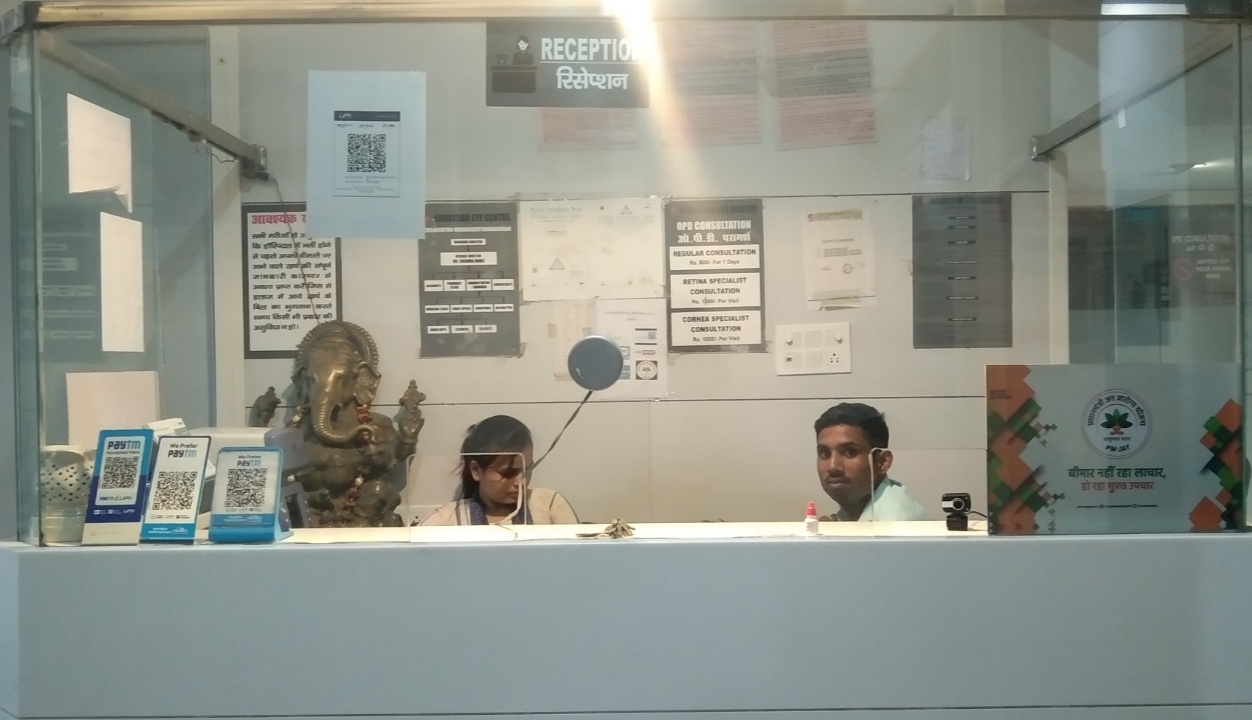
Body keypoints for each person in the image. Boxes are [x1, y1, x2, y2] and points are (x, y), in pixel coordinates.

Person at [421, 415, 579, 526]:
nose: (521, 482)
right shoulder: (446, 520)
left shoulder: (549, 504)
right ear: (476, 470)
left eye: (528, 470)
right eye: (508, 473)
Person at [814, 403, 928, 522]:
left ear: (882, 462)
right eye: (825, 454)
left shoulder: (896, 522)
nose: (832, 466)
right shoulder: (861, 506)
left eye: (850, 452)